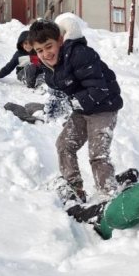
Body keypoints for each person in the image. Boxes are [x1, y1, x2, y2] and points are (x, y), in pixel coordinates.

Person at [27, 16, 123, 202]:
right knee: (64, 145)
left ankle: (109, 194)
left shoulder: (79, 54)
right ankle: (75, 187)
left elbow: (99, 88)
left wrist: (74, 104)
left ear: (60, 41)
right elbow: (62, 90)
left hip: (104, 107)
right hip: (83, 109)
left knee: (97, 154)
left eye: (49, 46)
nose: (46, 53)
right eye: (40, 50)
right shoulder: (51, 68)